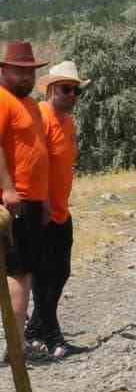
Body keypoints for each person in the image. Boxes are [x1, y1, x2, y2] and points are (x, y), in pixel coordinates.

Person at [28, 62, 87, 360]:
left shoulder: (68, 121)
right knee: (44, 276)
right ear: (51, 89)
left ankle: (34, 330)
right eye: (66, 89)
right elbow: (35, 164)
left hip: (62, 210)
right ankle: (53, 339)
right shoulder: (41, 116)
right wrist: (43, 204)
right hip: (42, 211)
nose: (73, 95)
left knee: (60, 272)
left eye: (76, 90)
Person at [0, 41, 51, 366]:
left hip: (31, 202)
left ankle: (16, 346)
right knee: (18, 274)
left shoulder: (30, 104)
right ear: (4, 70)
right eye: (19, 70)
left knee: (25, 273)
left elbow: (37, 153)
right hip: (11, 203)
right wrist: (7, 189)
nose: (25, 76)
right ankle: (15, 349)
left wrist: (43, 199)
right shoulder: (2, 100)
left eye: (30, 71)